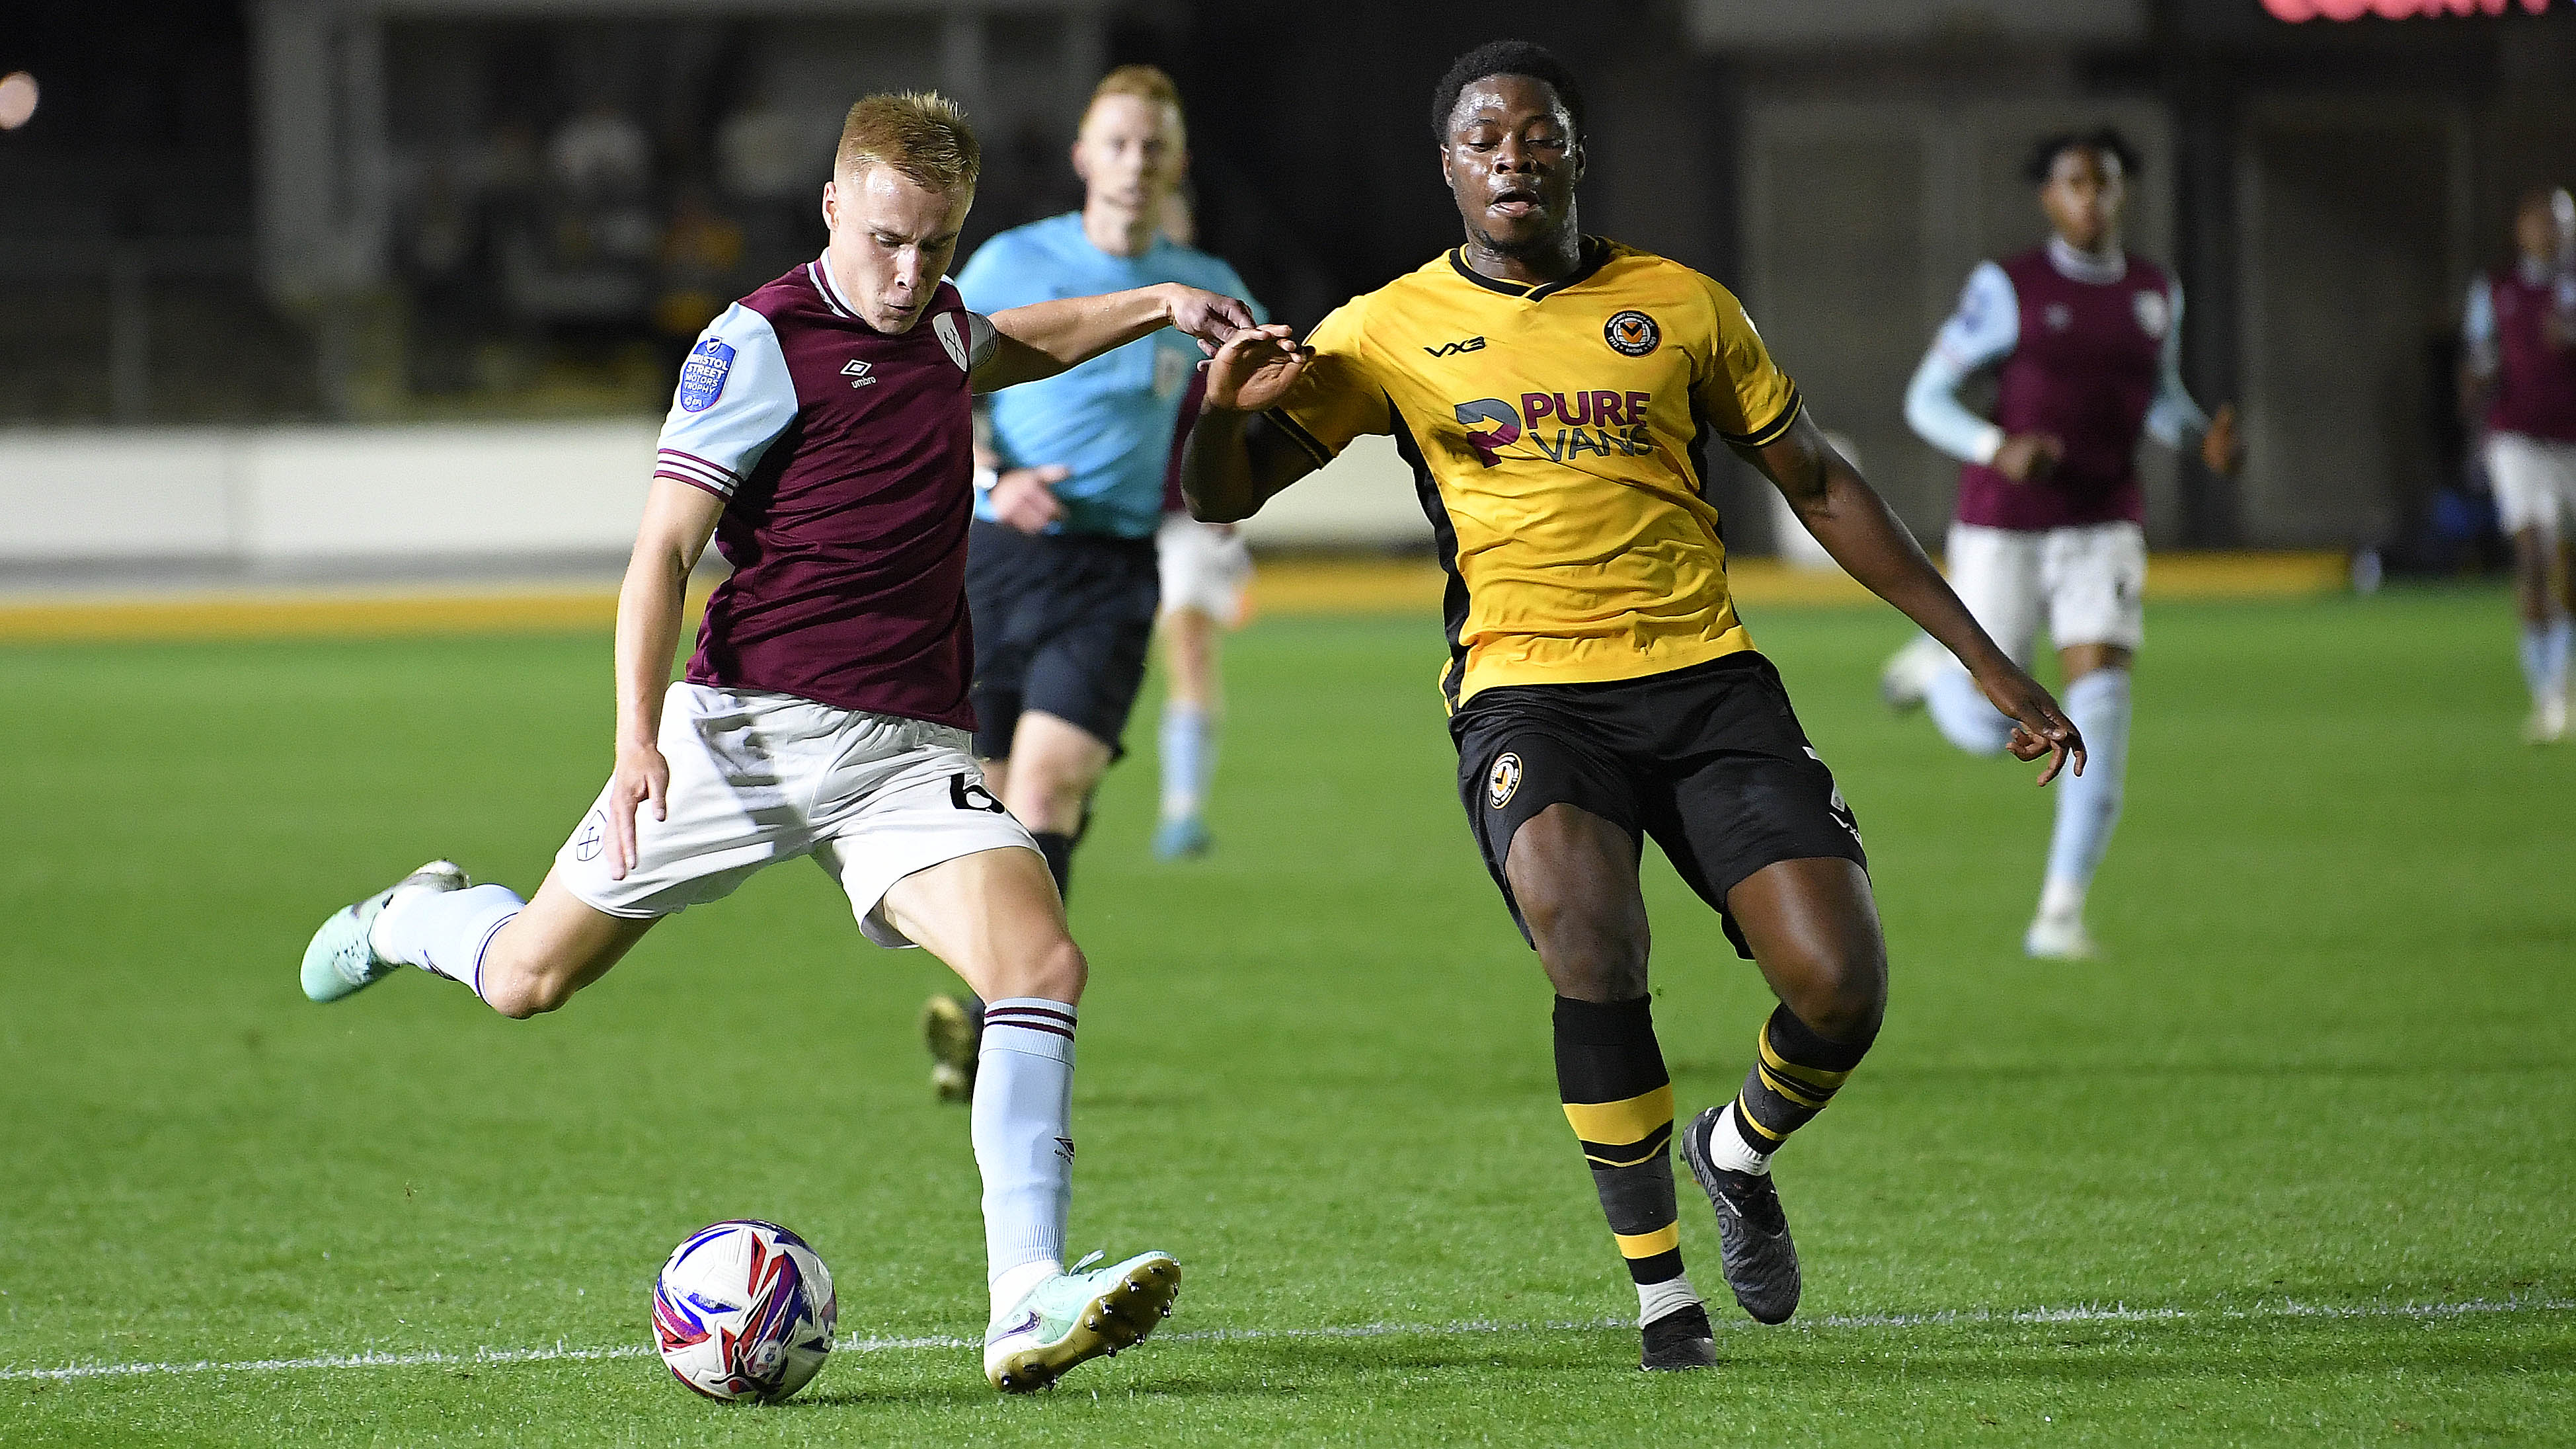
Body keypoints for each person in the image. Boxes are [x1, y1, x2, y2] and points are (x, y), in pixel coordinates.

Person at [295, 89, 1255, 1396]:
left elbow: (1014, 339)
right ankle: (416, 916)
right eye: (885, 240)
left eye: (934, 244)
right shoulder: (757, 341)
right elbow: (659, 556)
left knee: (1040, 959)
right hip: (739, 734)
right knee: (529, 978)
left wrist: (1158, 305)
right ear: (831, 208)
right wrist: (636, 739)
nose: (910, 274)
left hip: (908, 752)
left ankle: (1026, 1298)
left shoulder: (938, 319)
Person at [1180, 41, 2081, 1372]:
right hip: (1527, 699)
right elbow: (1221, 493)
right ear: (1447, 166)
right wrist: (1213, 411)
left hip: (1707, 684)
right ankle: (1663, 1295)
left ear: (1574, 153)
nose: (1511, 158)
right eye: (1483, 140)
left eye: (1535, 135)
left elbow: (1819, 485)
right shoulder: (1383, 329)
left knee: (1840, 987)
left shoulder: (1682, 306)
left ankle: (1737, 1151)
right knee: (1588, 948)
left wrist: (1981, 658)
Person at [917, 67, 1263, 1104]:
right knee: (981, 795)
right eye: (1117, 141)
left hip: (1113, 566)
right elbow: (924, 388)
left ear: (1177, 161)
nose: (1135, 161)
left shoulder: (1203, 277)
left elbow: (1246, 410)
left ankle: (1003, 1024)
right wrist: (995, 476)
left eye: (1154, 144)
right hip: (991, 554)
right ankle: (994, 998)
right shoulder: (1016, 261)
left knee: (1050, 782)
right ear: (1083, 156)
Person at [1883, 127, 2239, 960]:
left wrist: (2199, 439)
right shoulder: (2008, 286)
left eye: (2106, 183)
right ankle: (1939, 672)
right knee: (1987, 718)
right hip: (2005, 520)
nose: (2092, 198)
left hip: (2104, 521)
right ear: (2048, 196)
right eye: (2076, 183)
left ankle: (2060, 911)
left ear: (2122, 194)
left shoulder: (2155, 290)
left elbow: (2158, 398)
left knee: (2102, 706)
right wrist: (1995, 446)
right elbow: (1925, 397)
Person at [2462, 185, 2576, 744]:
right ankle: (2547, 693)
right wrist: (2476, 382)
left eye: (2556, 224)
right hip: (2517, 439)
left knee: (2570, 567)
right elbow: (2478, 355)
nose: (2546, 234)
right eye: (2537, 223)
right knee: (2533, 555)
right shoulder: (2495, 289)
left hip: (2572, 438)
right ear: (2520, 230)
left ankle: (2565, 676)